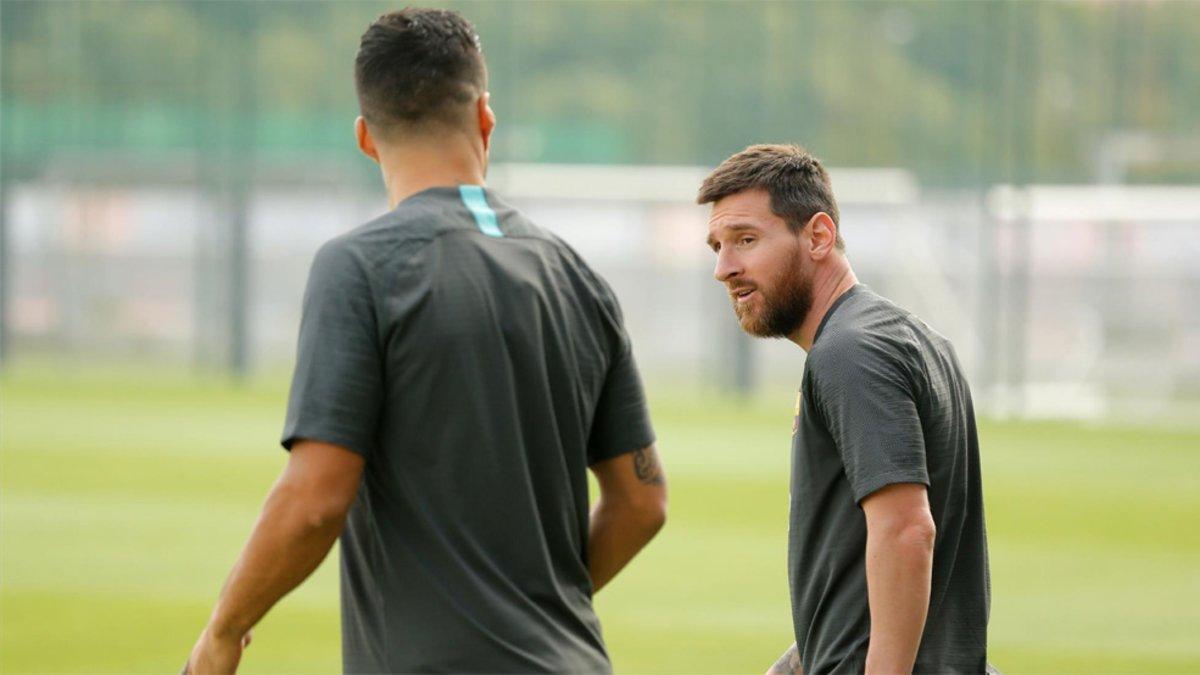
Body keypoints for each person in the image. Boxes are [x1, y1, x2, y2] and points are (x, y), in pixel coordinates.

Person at [185, 8, 667, 674]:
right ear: (486, 119)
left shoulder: (360, 267)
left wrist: (223, 630)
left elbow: (315, 498)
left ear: (365, 138)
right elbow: (642, 501)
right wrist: (537, 609)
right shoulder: (578, 276)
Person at [698, 144, 991, 674]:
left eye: (745, 240)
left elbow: (906, 530)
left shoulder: (849, 353)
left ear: (818, 236)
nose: (724, 268)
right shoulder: (912, 339)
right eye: (717, 246)